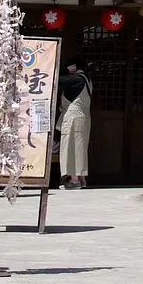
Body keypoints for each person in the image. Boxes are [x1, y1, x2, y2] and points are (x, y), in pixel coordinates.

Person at [57, 61, 91, 189]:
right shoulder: (87, 80)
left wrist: (65, 70)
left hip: (73, 116)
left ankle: (74, 179)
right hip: (84, 117)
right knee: (80, 148)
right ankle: (81, 178)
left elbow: (58, 79)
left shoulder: (77, 79)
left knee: (71, 147)